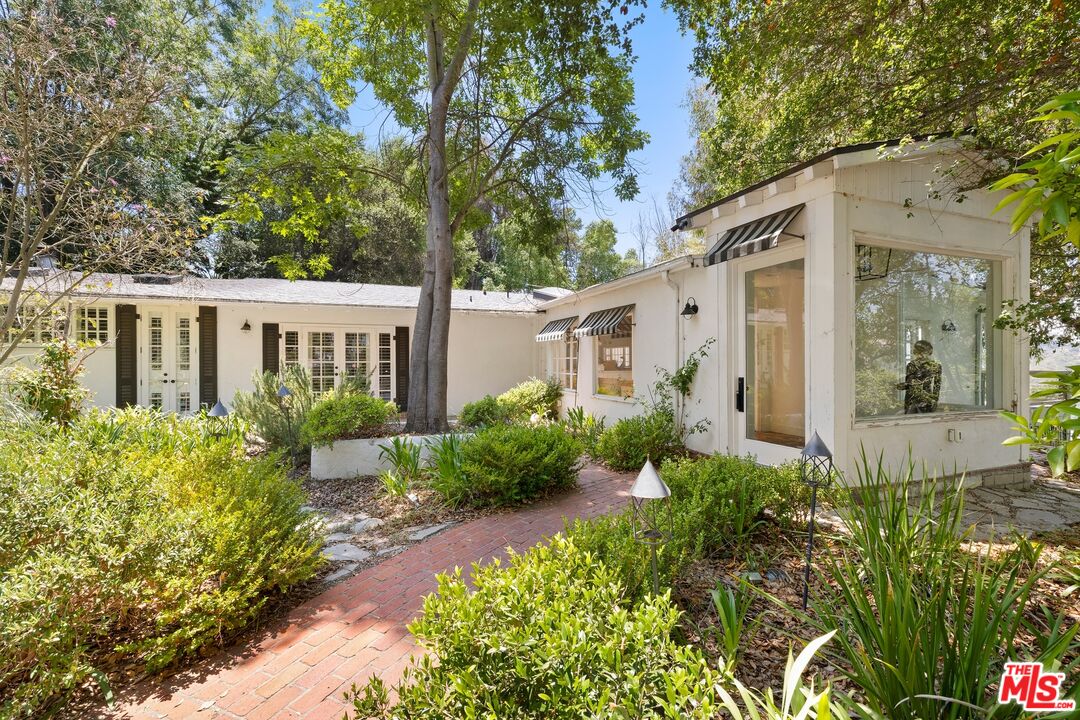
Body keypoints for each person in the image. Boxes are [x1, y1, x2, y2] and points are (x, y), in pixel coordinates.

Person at [898, 339, 941, 414]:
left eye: (924, 352)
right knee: (909, 421)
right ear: (915, 352)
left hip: (926, 399)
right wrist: (902, 386)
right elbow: (909, 384)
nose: (921, 355)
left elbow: (937, 385)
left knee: (925, 421)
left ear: (929, 352)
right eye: (918, 352)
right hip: (911, 400)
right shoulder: (911, 365)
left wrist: (934, 401)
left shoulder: (936, 366)